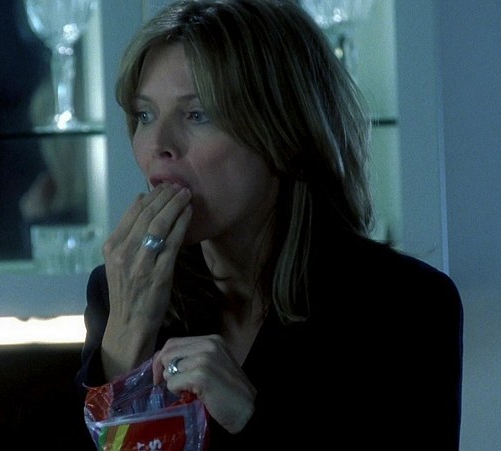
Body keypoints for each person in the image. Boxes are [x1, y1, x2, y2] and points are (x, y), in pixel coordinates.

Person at [75, 0, 463, 449]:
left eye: (197, 114)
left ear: (282, 131)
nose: (157, 144)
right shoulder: (117, 292)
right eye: (145, 115)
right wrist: (124, 350)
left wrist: (251, 419)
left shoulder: (406, 304)